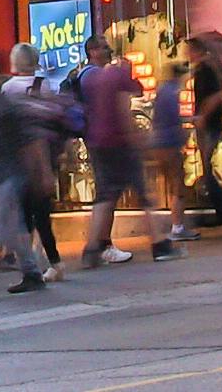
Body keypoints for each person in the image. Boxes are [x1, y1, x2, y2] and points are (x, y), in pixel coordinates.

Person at [0, 50, 55, 293]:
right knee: (11, 225)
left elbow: (29, 136)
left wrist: (42, 170)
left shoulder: (3, 98)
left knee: (12, 225)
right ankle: (28, 271)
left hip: (10, 170)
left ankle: (28, 272)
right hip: (4, 170)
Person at [77, 35, 142, 269]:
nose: (109, 51)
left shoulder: (90, 76)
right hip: (104, 142)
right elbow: (124, 98)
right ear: (93, 51)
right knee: (107, 194)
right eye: (104, 48)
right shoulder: (93, 76)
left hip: (99, 140)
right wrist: (123, 73)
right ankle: (99, 245)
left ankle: (100, 245)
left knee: (108, 193)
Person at [183, 35, 222, 231]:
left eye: (189, 50)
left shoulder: (206, 71)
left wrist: (202, 116)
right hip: (209, 125)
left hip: (209, 126)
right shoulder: (202, 71)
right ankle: (220, 210)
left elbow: (215, 96)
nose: (186, 54)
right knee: (206, 168)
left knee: (206, 166)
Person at [144, 49, 186, 258]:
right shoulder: (172, 93)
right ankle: (177, 226)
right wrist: (182, 135)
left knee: (166, 183)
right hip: (169, 143)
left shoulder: (162, 91)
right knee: (177, 182)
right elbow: (173, 120)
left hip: (158, 142)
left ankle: (174, 224)